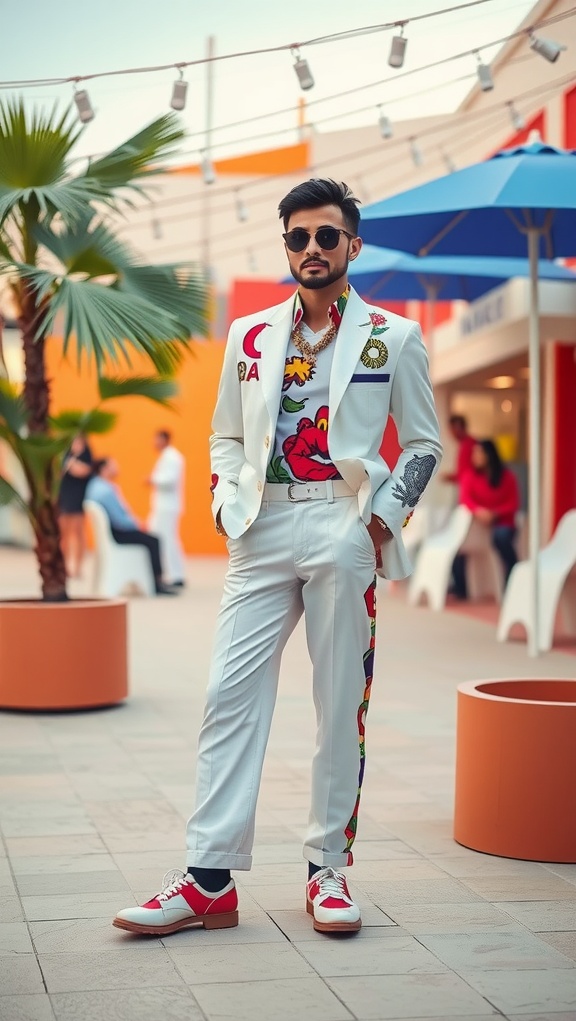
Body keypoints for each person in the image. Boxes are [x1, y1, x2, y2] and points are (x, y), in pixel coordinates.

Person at [113, 178, 442, 938]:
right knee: (229, 697)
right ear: (286, 245)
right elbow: (225, 436)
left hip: (343, 525)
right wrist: (229, 508)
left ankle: (328, 870)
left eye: (327, 236)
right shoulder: (250, 336)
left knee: (337, 707)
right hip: (260, 530)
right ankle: (208, 879)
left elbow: (423, 443)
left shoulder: (393, 337)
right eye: (298, 237)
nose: (312, 249)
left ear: (352, 245)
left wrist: (381, 522)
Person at [85, 457, 177, 596]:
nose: (117, 468)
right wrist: (137, 525)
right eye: (113, 465)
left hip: (112, 533)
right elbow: (120, 520)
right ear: (104, 469)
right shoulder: (106, 490)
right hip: (118, 533)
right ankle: (157, 583)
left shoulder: (94, 485)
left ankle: (156, 581)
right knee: (154, 540)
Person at [451, 439, 520, 599]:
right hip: (477, 526)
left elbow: (513, 503)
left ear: (489, 455)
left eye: (478, 452)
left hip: (502, 523)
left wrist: (494, 513)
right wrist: (479, 511)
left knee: (502, 537)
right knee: (456, 546)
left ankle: (513, 577)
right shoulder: (469, 476)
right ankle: (462, 589)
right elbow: (465, 499)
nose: (474, 456)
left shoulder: (507, 477)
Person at [146, 430, 186, 587]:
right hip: (163, 506)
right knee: (161, 538)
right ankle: (168, 573)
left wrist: (152, 479)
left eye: (157, 439)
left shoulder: (172, 457)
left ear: (164, 440)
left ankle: (175, 575)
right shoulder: (167, 457)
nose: (154, 443)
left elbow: (170, 479)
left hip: (167, 507)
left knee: (167, 540)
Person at [58, 434, 93, 578]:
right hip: (64, 498)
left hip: (78, 500)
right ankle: (64, 566)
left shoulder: (86, 459)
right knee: (63, 535)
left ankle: (78, 568)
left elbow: (82, 471)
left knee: (78, 534)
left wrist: (72, 464)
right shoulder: (64, 458)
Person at [442, 414, 476, 499]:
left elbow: (467, 472)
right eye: (451, 428)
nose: (452, 431)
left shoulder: (469, 444)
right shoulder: (464, 444)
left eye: (454, 428)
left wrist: (451, 477)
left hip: (471, 489)